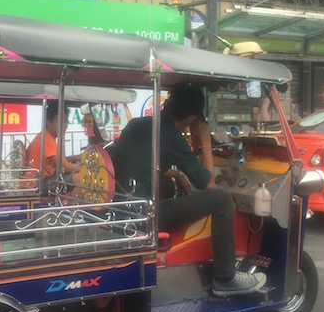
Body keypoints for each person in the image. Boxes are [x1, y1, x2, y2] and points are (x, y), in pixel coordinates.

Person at [111, 83, 267, 297]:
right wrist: (204, 139)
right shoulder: (171, 137)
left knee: (167, 184)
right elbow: (208, 183)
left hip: (121, 207)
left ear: (168, 104)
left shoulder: (137, 124)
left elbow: (138, 165)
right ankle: (225, 277)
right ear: (191, 119)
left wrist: (177, 174)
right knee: (221, 200)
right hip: (143, 215)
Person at [25, 100, 79, 188]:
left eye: (65, 121)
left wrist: (76, 158)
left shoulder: (46, 136)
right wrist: (89, 168)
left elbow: (59, 162)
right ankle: (72, 202)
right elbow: (67, 168)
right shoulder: (47, 139)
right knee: (82, 178)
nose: (64, 125)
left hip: (40, 181)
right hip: (37, 184)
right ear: (48, 122)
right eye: (60, 122)